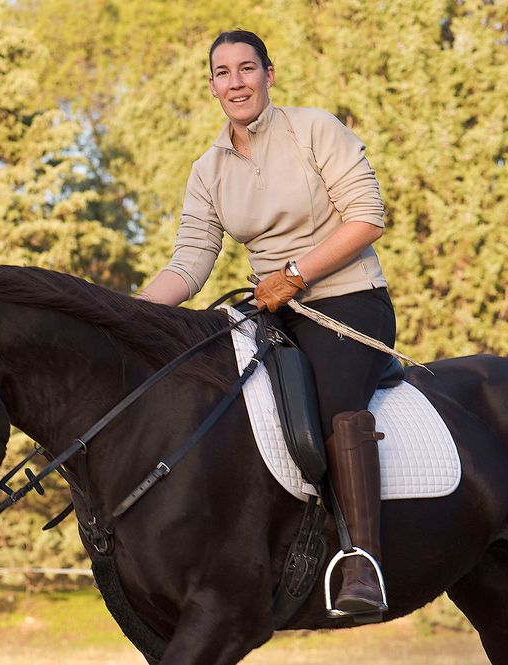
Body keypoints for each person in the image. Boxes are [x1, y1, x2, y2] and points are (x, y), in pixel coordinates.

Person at [136, 29, 395, 619]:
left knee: (331, 406)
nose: (236, 82)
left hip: (348, 300)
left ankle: (364, 561)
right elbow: (189, 263)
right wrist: (128, 318)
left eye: (247, 69)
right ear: (212, 87)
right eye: (223, 73)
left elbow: (367, 217)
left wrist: (296, 274)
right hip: (271, 309)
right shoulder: (207, 170)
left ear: (268, 75)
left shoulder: (314, 129)